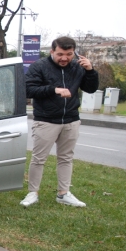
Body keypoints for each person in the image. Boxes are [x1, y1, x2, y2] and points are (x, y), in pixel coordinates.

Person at [20, 36, 99, 207]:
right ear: (52, 51)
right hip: (46, 120)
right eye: (60, 54)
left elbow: (90, 88)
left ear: (74, 53)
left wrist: (91, 71)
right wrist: (53, 89)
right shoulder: (39, 66)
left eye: (69, 54)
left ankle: (63, 194)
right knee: (39, 158)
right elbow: (28, 89)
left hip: (71, 120)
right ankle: (32, 193)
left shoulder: (78, 68)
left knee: (66, 158)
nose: (65, 58)